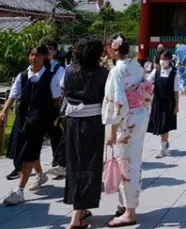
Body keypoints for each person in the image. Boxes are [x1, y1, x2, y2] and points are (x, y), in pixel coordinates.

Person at [102, 34, 154, 227]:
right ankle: (125, 205)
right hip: (139, 116)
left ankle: (130, 212)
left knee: (126, 165)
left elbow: (117, 103)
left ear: (112, 48)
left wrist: (112, 130)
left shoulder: (118, 71)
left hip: (126, 121)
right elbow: (146, 91)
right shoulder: (136, 66)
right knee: (133, 162)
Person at [0, 44, 61, 205]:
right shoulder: (22, 76)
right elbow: (13, 95)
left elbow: (57, 100)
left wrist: (57, 120)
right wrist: (3, 112)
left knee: (28, 152)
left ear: (44, 58)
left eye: (38, 55)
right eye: (32, 54)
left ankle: (19, 191)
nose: (34, 58)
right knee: (27, 149)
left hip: (40, 119)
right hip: (23, 118)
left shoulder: (50, 77)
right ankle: (40, 175)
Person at [62, 37, 108, 229]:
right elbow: (106, 97)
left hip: (72, 121)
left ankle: (81, 208)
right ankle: (77, 215)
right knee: (90, 165)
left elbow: (65, 91)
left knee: (75, 163)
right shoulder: (102, 73)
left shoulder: (69, 70)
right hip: (93, 121)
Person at [147, 50, 180, 159]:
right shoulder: (156, 72)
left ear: (170, 60)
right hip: (157, 102)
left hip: (168, 103)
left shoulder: (174, 73)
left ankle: (162, 149)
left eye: (165, 59)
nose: (162, 61)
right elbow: (147, 83)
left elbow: (176, 91)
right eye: (161, 59)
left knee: (165, 126)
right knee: (159, 125)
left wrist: (177, 105)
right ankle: (165, 142)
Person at [44, 39, 67, 178]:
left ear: (54, 51)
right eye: (46, 48)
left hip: (52, 105)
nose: (48, 51)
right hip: (38, 106)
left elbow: (60, 88)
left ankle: (59, 163)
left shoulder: (58, 68)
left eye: (50, 48)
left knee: (55, 135)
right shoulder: (36, 65)